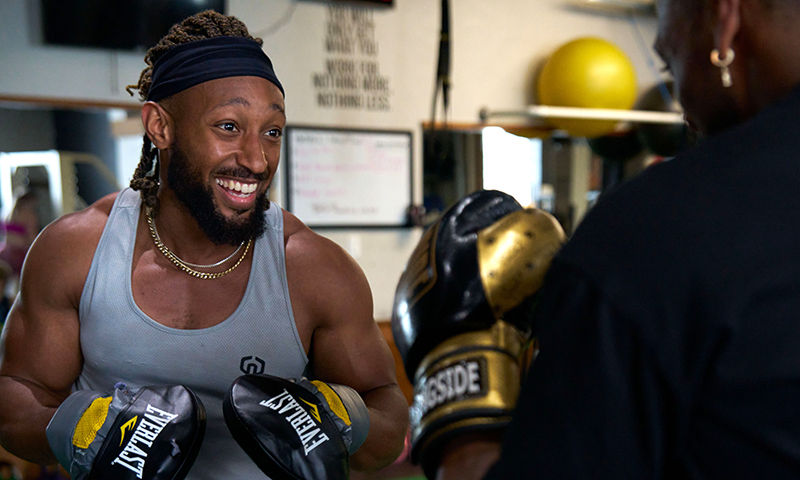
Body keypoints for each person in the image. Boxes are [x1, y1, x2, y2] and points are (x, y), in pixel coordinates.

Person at [392, 0, 800, 478]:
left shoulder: (654, 232)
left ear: (724, 19)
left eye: (666, 15)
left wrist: (457, 381)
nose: (658, 41)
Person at [0, 10, 407, 480]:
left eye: (272, 132)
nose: (256, 159)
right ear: (160, 127)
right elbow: (16, 398)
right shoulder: (76, 251)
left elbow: (387, 416)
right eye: (228, 127)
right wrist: (81, 429)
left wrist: (340, 419)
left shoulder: (313, 268)